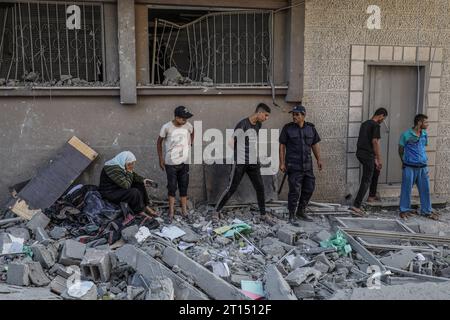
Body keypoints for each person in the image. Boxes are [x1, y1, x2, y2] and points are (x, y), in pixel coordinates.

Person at [214, 103, 275, 225]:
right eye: (266, 115)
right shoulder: (242, 125)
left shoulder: (258, 124)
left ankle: (263, 214)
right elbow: (231, 143)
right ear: (259, 113)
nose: (266, 118)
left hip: (253, 162)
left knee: (260, 187)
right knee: (232, 187)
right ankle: (216, 211)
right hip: (240, 162)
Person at [279, 105, 323, 226]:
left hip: (308, 166)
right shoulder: (287, 129)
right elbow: (282, 146)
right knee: (294, 191)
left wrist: (319, 159)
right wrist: (282, 162)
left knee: (309, 188)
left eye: (297, 114)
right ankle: (292, 215)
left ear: (303, 115)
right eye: (293, 114)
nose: (294, 116)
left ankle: (301, 211)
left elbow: (314, 144)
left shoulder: (311, 129)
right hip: (293, 166)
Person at [157, 106, 194, 224]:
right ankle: (171, 212)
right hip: (170, 163)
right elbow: (159, 142)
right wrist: (161, 159)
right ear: (177, 117)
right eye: (183, 119)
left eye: (186, 119)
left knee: (184, 186)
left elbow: (193, 133)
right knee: (172, 187)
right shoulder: (166, 127)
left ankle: (184, 210)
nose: (185, 121)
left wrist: (190, 144)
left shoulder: (188, 126)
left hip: (184, 161)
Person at [398, 114, 438, 220]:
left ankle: (426, 211)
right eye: (426, 122)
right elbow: (400, 150)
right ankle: (404, 210)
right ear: (419, 122)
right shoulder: (406, 135)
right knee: (406, 189)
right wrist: (404, 161)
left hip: (423, 167)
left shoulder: (424, 134)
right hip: (409, 167)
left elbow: (422, 148)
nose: (428, 124)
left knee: (425, 189)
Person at [98, 151, 158, 221]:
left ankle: (146, 207)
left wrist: (143, 180)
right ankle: (140, 212)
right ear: (125, 161)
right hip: (109, 193)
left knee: (139, 183)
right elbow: (126, 185)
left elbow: (133, 175)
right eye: (130, 164)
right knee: (133, 192)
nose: (131, 165)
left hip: (117, 188)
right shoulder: (113, 169)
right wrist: (129, 171)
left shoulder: (120, 165)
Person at [350, 108, 388, 216]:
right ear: (381, 115)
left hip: (361, 153)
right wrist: (378, 159)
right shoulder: (376, 125)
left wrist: (375, 160)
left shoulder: (365, 124)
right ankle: (356, 205)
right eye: (383, 118)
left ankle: (372, 195)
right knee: (366, 179)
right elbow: (375, 142)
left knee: (376, 171)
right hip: (367, 155)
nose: (383, 120)